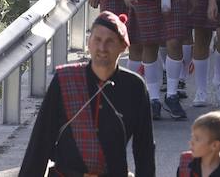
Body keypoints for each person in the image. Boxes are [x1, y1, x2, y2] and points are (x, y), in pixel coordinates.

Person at [18, 10, 155, 177]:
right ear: (89, 42)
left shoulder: (135, 87)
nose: (102, 48)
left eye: (110, 41)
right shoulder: (64, 80)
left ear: (123, 46)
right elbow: (41, 141)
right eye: (97, 40)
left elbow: (144, 149)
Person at [182, 111, 220, 177]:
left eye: (197, 139)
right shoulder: (186, 167)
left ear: (214, 145)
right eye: (192, 137)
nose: (191, 142)